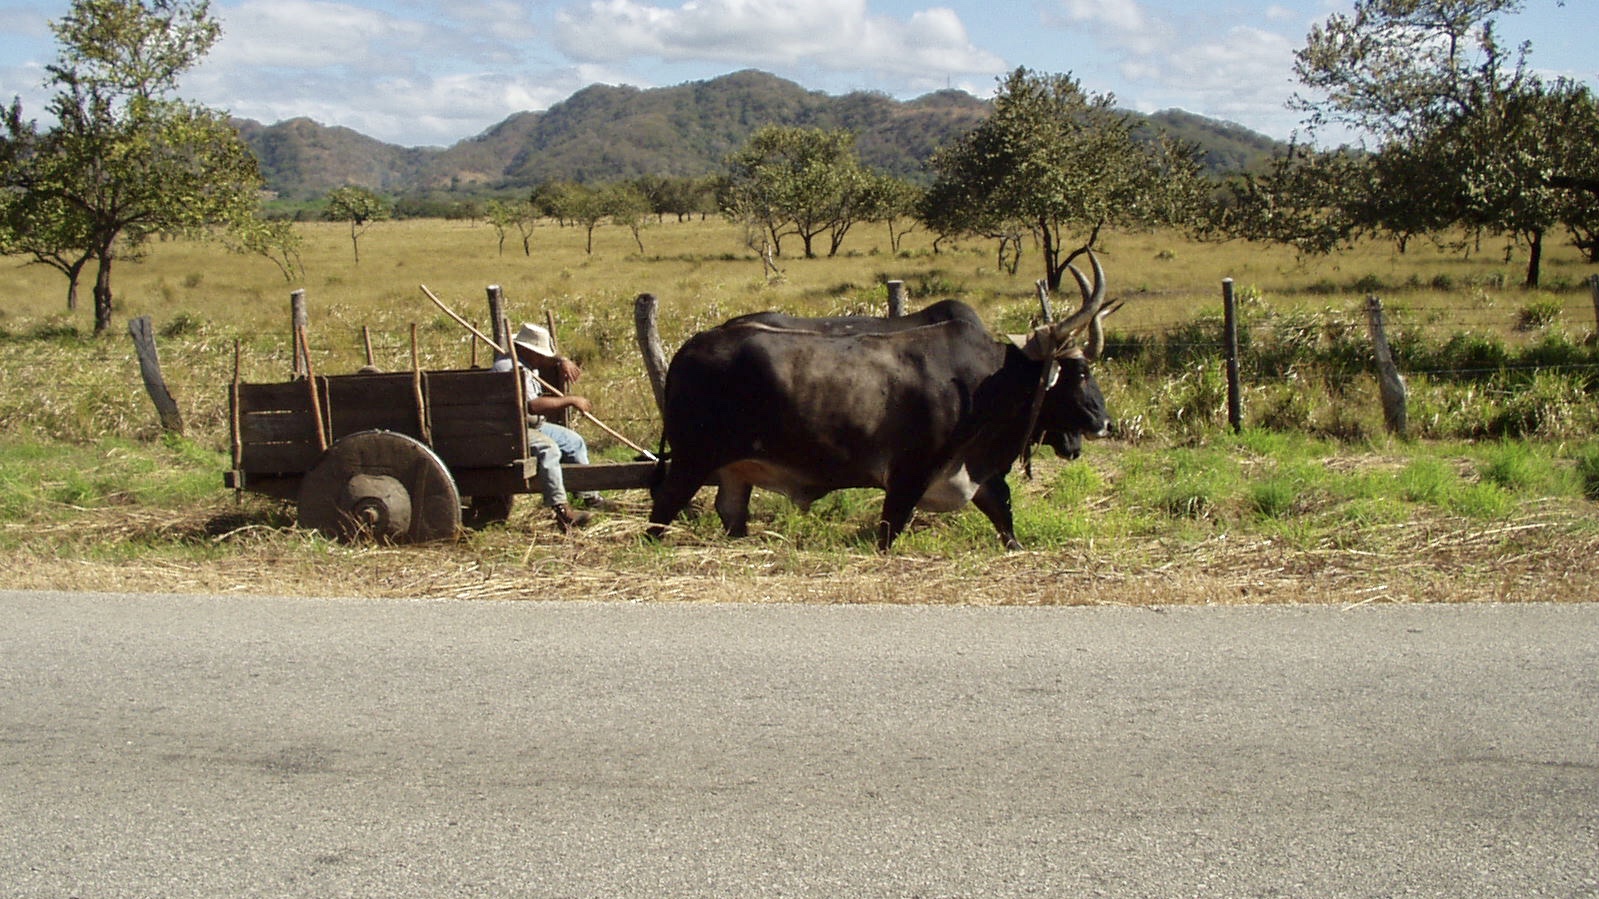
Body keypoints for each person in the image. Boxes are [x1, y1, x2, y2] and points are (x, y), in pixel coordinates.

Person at [493, 323, 615, 532]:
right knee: (549, 449)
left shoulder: (525, 362)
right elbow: (532, 405)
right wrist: (570, 400)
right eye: (540, 353)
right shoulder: (511, 368)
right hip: (512, 430)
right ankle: (562, 511)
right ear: (529, 350)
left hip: (530, 425)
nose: (543, 358)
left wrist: (562, 359)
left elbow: (550, 359)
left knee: (573, 442)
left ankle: (588, 496)